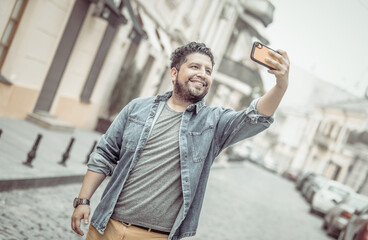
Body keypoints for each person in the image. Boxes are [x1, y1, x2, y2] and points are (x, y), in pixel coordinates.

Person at [71, 42, 290, 240]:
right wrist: (83, 200)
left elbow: (254, 118)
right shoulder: (137, 108)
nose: (202, 74)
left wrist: (280, 86)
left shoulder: (214, 123)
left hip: (154, 236)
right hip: (105, 226)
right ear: (174, 73)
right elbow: (105, 154)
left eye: (208, 71)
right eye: (195, 67)